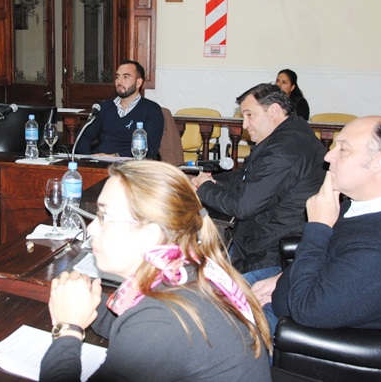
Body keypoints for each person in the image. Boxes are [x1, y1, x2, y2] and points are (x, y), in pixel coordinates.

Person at [40, 161, 272, 381]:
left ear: (149, 235)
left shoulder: (164, 316)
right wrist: (86, 303)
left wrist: (68, 328)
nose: (91, 228)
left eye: (103, 216)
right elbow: (130, 325)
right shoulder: (185, 270)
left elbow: (149, 329)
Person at [254, 116, 381, 334]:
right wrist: (282, 278)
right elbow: (334, 255)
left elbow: (306, 310)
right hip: (290, 285)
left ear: (380, 162)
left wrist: (318, 226)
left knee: (216, 321)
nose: (328, 156)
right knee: (219, 287)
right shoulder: (379, 201)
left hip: (287, 322)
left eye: (343, 149)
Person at [191, 83, 327, 284]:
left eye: (249, 115)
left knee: (209, 295)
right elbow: (247, 176)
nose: (244, 125)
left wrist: (204, 188)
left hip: (271, 256)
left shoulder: (284, 149)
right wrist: (213, 181)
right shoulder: (287, 135)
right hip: (259, 243)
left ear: (274, 111)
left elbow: (243, 206)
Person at [74, 59, 163, 158]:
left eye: (125, 77)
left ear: (138, 82)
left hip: (131, 164)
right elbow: (82, 137)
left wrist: (115, 156)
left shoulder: (152, 110)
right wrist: (89, 157)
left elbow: (150, 149)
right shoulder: (104, 107)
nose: (119, 81)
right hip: (100, 162)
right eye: (117, 77)